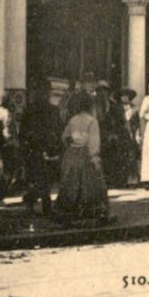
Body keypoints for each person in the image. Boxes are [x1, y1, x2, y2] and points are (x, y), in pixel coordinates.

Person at [55, 91, 110, 222]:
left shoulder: (73, 119)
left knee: (71, 181)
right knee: (88, 183)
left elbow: (64, 136)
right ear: (90, 106)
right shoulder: (92, 121)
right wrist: (95, 158)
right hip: (86, 153)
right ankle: (89, 212)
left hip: (72, 153)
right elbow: (94, 141)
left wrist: (72, 144)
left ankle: (69, 211)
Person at [20, 82, 62, 215]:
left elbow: (59, 128)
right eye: (40, 91)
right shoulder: (30, 109)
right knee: (41, 177)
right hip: (35, 147)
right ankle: (46, 206)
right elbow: (23, 130)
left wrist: (58, 144)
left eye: (45, 91)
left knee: (48, 178)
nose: (43, 94)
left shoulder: (54, 110)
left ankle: (30, 199)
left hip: (50, 147)